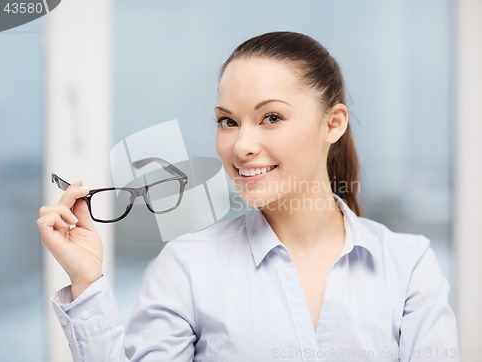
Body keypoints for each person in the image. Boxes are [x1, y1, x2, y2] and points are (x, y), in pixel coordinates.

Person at [37, 31, 459, 361]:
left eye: (271, 117)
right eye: (227, 122)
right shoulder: (188, 267)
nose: (241, 147)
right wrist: (87, 282)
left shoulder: (408, 266)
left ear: (333, 124)